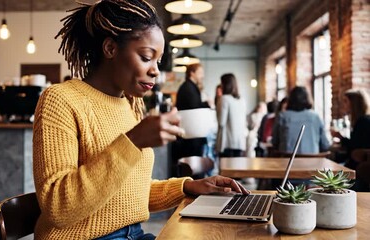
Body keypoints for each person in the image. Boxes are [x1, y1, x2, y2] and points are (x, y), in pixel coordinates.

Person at [33, 1, 249, 239]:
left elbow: (127, 192)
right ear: (110, 48)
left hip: (133, 234)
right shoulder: (60, 100)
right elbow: (58, 208)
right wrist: (132, 141)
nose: (156, 70)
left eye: (158, 60)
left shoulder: (129, 104)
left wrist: (188, 186)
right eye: (147, 57)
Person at [171, 63, 210, 175]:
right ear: (192, 73)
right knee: (192, 168)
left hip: (190, 134)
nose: (202, 75)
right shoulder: (188, 87)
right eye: (200, 72)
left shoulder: (189, 86)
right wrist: (207, 104)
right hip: (191, 135)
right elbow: (195, 108)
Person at [272, 86, 330, 154]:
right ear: (307, 98)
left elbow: (275, 142)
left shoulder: (282, 116)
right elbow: (325, 145)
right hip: (313, 162)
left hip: (287, 162)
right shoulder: (315, 117)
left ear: (290, 99)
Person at [331, 89, 370, 170]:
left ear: (354, 103)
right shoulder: (362, 120)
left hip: (360, 169)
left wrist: (340, 137)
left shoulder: (363, 121)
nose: (342, 104)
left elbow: (354, 148)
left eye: (345, 101)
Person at [216, 73, 247, 157]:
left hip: (227, 142)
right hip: (240, 142)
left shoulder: (224, 99)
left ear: (225, 84)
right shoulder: (242, 100)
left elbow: (221, 122)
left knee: (225, 169)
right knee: (237, 169)